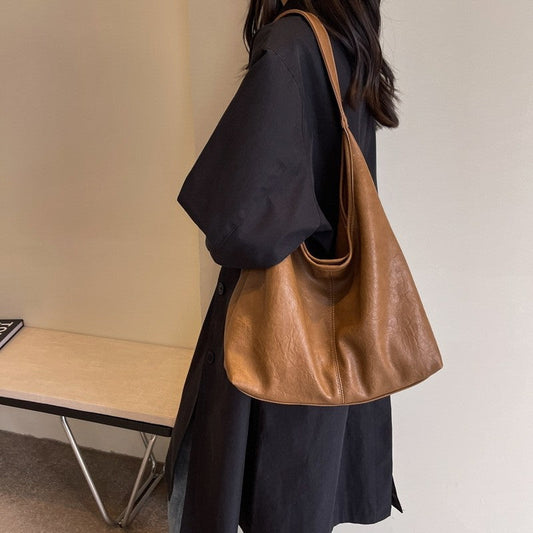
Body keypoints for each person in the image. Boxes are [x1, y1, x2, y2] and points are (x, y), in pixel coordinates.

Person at [166, 1, 403, 531]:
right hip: (340, 326)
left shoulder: (291, 45)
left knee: (265, 488)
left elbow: (238, 221)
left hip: (282, 330)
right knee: (307, 492)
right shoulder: (352, 42)